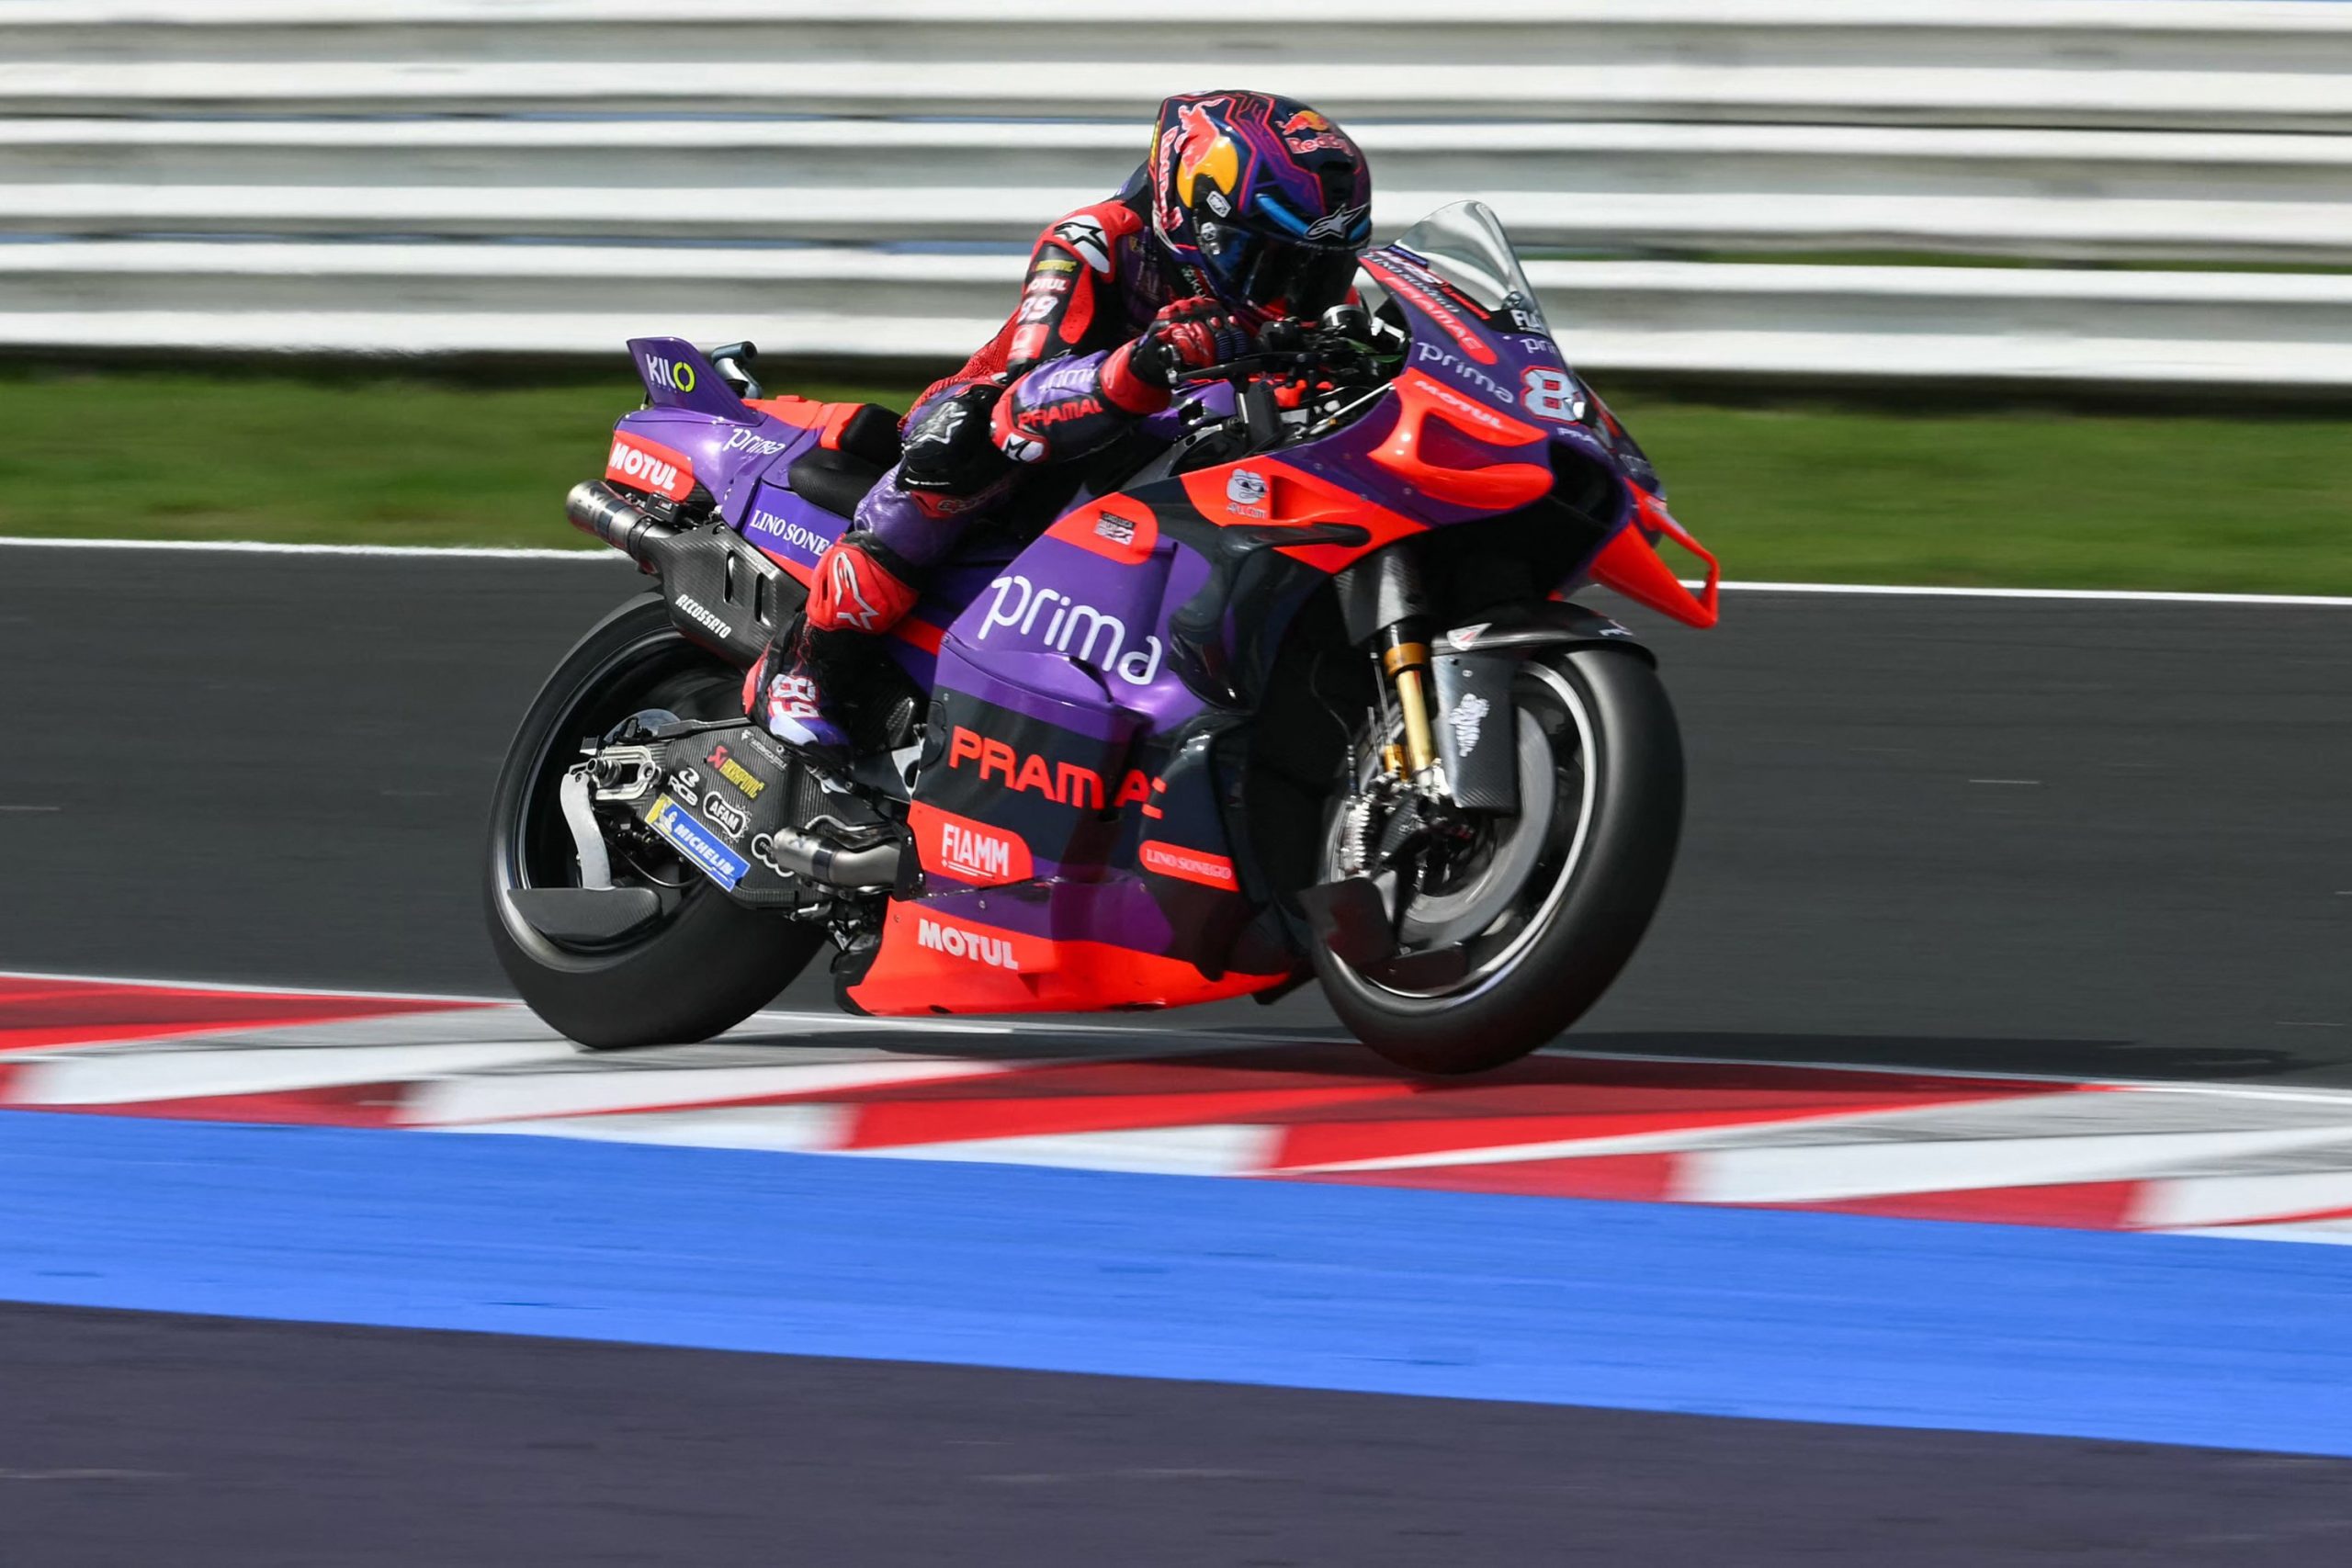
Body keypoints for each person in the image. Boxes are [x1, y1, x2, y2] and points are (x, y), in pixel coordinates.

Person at [752, 90, 1374, 763]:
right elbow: (1023, 402)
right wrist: (1146, 362)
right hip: (1020, 430)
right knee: (960, 439)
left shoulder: (1312, 286)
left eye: (1320, 270)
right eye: (1267, 262)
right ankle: (806, 667)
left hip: (1181, 453)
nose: (1291, 293)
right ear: (1192, 213)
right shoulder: (1094, 243)